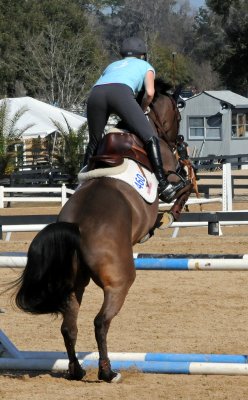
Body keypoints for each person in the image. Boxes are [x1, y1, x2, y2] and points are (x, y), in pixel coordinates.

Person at [83, 36, 186, 203]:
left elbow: (106, 84)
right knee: (150, 137)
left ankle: (82, 181)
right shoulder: (146, 66)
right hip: (120, 94)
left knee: (94, 141)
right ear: (142, 55)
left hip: (95, 94)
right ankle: (163, 183)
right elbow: (150, 93)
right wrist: (143, 108)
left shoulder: (111, 65)